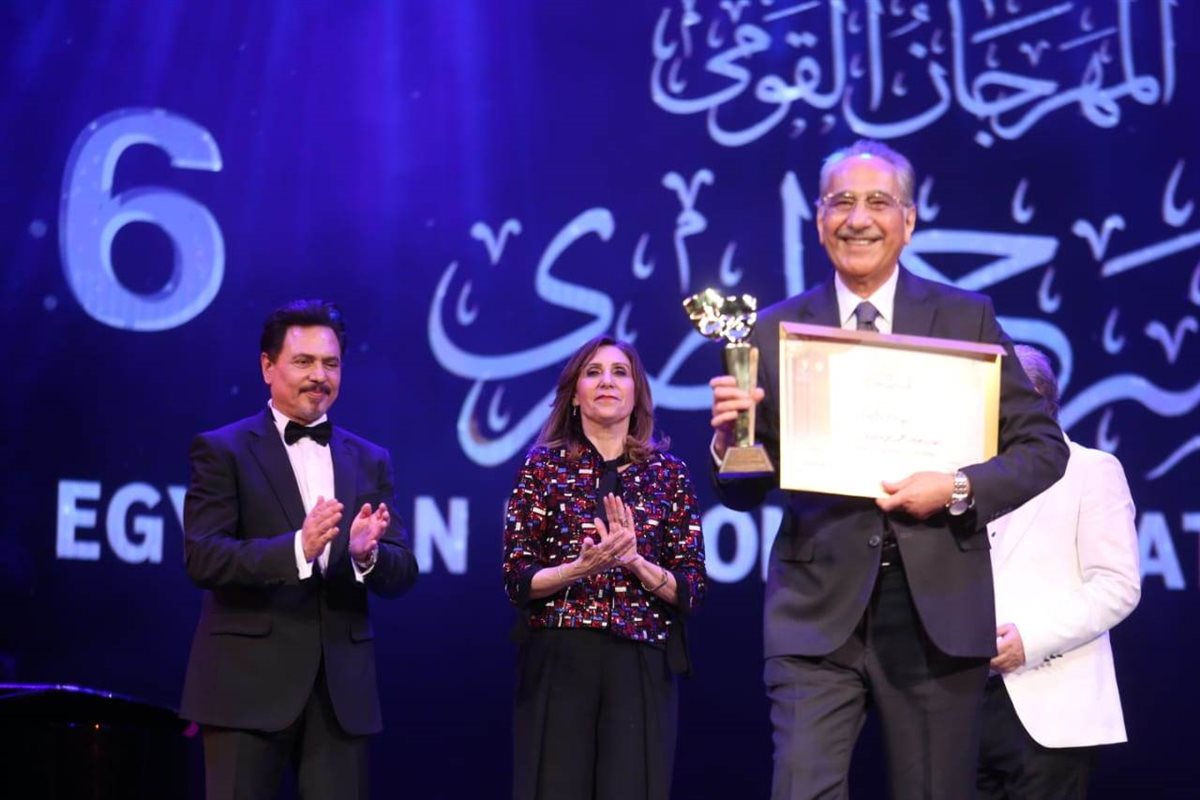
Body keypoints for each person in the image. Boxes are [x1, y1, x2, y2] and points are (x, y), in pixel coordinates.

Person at [708, 140, 1070, 799]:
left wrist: (956, 487)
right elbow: (743, 489)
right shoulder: (771, 331)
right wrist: (730, 442)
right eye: (841, 202)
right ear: (819, 219)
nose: (858, 219)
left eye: (878, 202)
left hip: (937, 617)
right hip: (816, 612)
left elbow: (1043, 449)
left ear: (909, 219)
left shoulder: (965, 317)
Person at [179, 299, 418, 799]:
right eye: (303, 361)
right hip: (244, 689)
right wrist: (296, 549)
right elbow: (204, 556)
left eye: (331, 363)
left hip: (339, 695)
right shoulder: (222, 449)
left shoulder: (370, 458)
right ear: (268, 367)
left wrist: (365, 556)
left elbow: (403, 570)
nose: (319, 376)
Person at [503, 335, 707, 800]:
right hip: (560, 655)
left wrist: (635, 562)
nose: (606, 382)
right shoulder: (541, 467)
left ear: (637, 393)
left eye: (619, 372)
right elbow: (517, 578)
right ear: (575, 395)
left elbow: (692, 587)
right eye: (593, 372)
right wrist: (577, 569)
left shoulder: (669, 474)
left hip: (640, 658)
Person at [977, 345, 1141, 798]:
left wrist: (1029, 641)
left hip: (1051, 707)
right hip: (961, 705)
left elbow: (1117, 585)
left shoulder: (1092, 470)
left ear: (1044, 406)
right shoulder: (960, 475)